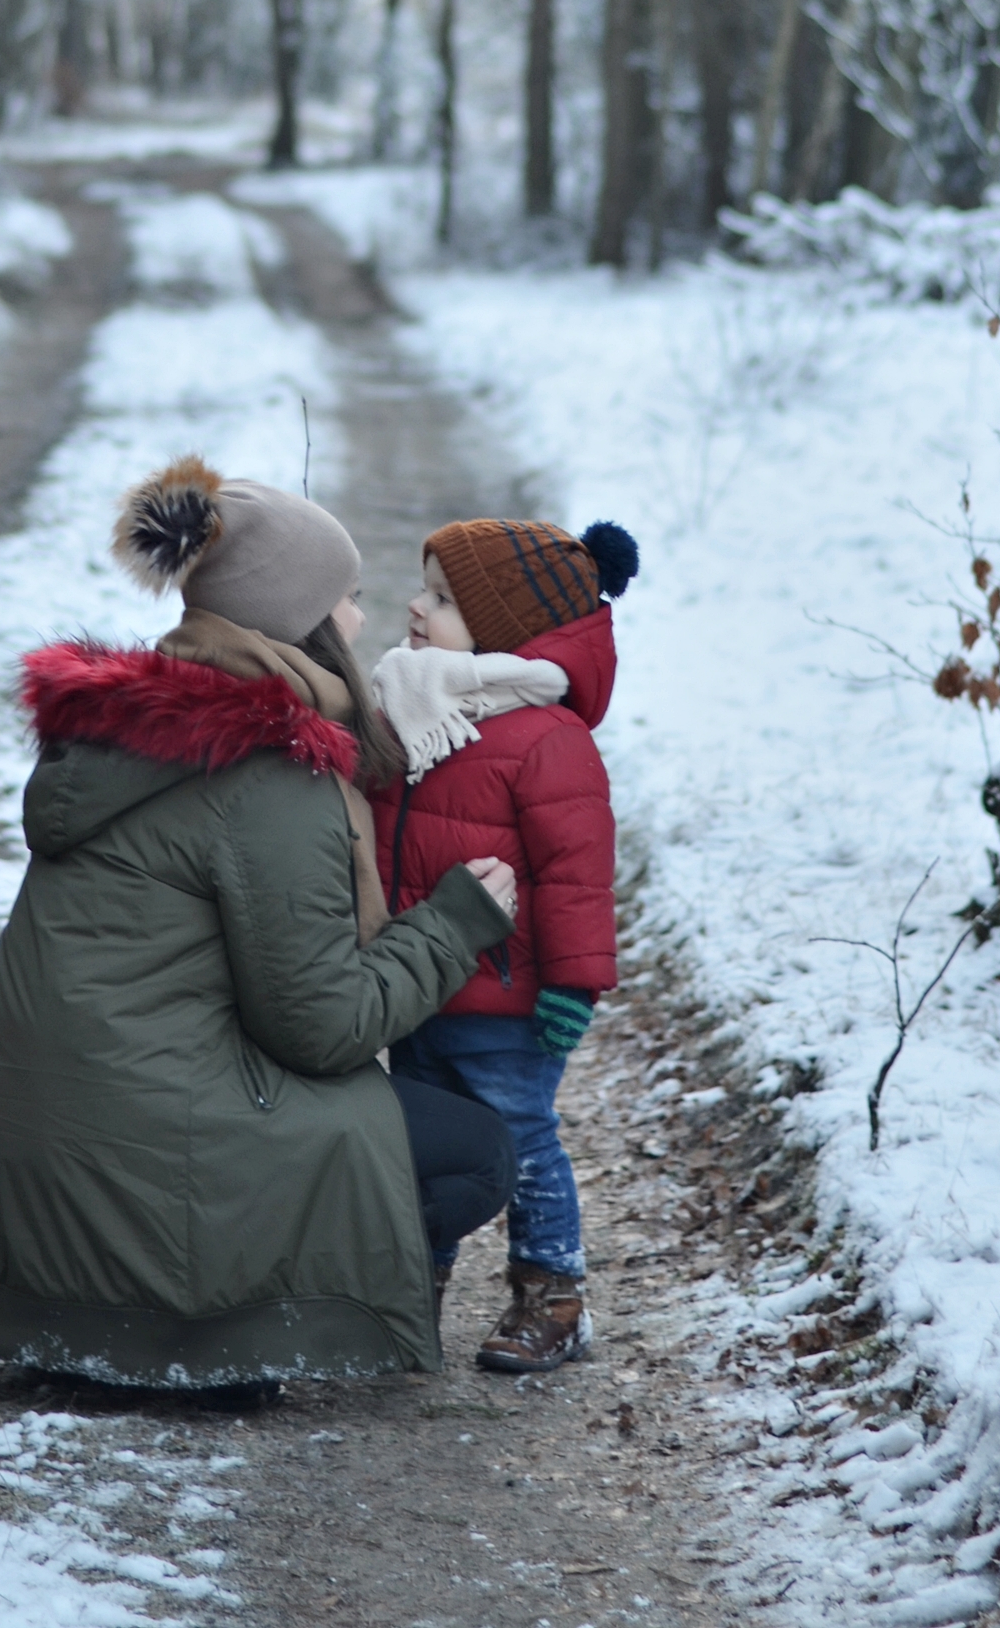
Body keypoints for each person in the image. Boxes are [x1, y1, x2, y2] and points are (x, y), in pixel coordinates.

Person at [0, 456, 521, 1395]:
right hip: (149, 1196)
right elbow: (320, 1026)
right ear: (296, 619)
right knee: (474, 1151)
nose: (364, 621)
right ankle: (238, 1324)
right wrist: (455, 922)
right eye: (348, 599)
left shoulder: (125, 729)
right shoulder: (266, 766)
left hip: (28, 1226)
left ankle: (117, 1317)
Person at [370, 513, 637, 1374]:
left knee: (521, 1137)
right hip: (416, 986)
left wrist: (573, 983)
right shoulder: (417, 707)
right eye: (424, 589)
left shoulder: (546, 736)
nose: (416, 607)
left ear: (503, 625)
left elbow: (575, 872)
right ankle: (410, 1295)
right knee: (413, 1145)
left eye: (442, 599)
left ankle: (551, 1296)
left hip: (506, 997)